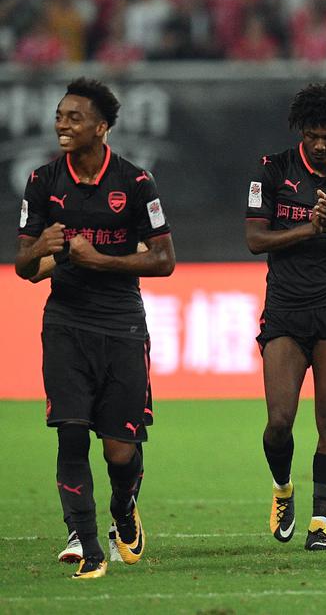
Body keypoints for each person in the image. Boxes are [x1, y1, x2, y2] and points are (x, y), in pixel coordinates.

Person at [16, 78, 176, 578]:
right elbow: (24, 266)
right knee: (70, 433)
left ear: (101, 128)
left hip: (122, 324)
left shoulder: (135, 182)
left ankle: (124, 510)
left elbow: (165, 261)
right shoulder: (42, 181)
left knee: (120, 450)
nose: (62, 124)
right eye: (60, 115)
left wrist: (97, 257)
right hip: (65, 322)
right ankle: (88, 546)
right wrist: (38, 248)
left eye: (74, 117)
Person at [245, 83, 326, 552]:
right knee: (279, 420)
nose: (321, 145)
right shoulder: (273, 169)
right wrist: (309, 227)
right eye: (313, 135)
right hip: (284, 307)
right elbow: (255, 240)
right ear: (301, 131)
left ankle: (320, 524)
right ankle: (283, 490)